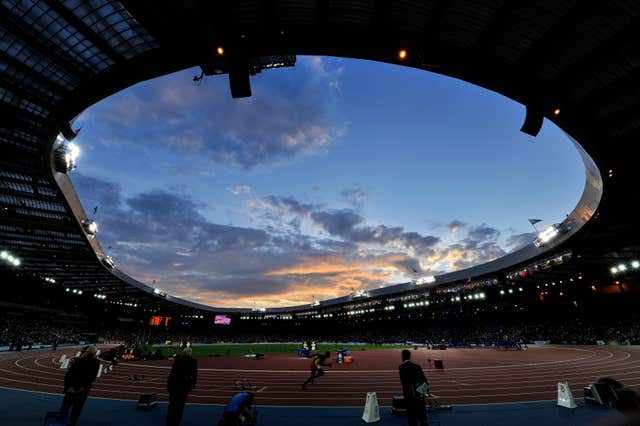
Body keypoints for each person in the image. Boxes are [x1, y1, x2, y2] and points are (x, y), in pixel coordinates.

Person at [60, 345, 101, 426]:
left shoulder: (77, 360)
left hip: (71, 388)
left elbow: (69, 375)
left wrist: (67, 388)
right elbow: (92, 378)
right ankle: (72, 423)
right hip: (83, 390)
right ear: (95, 353)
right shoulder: (96, 363)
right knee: (77, 409)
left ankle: (60, 422)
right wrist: (82, 387)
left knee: (65, 407)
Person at [166, 347, 198, 426]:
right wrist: (193, 384)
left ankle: (169, 422)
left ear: (183, 352)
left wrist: (168, 385)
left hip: (174, 384)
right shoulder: (193, 361)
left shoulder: (178, 360)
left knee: (172, 404)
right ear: (190, 353)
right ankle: (177, 421)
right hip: (184, 385)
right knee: (181, 405)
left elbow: (172, 373)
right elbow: (194, 374)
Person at [399, 349, 428, 426]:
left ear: (402, 357)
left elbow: (404, 383)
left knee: (412, 418)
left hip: (410, 397)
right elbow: (424, 381)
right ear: (410, 356)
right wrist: (424, 394)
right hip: (419, 395)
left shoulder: (401, 367)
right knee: (423, 417)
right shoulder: (417, 366)